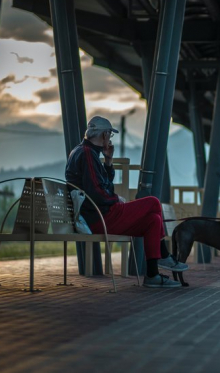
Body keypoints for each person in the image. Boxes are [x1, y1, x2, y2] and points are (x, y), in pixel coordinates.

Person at [65, 116, 188, 288]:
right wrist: (117, 200)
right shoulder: (86, 154)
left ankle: (152, 275)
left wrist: (108, 161)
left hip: (98, 216)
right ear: (103, 135)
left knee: (153, 220)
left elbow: (103, 185)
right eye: (109, 134)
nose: (109, 138)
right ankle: (165, 256)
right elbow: (97, 192)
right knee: (153, 202)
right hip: (99, 218)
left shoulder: (84, 152)